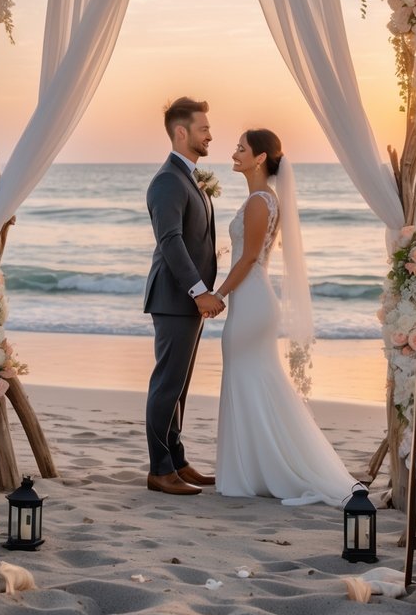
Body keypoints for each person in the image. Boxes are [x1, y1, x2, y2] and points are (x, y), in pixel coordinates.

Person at [214, 128, 356, 505]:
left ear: (260, 158)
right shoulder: (260, 199)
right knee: (251, 379)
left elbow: (248, 259)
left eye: (241, 148)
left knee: (251, 378)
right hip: (252, 299)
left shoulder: (261, 201)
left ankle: (259, 470)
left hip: (252, 300)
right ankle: (252, 469)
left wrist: (218, 294)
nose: (235, 152)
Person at [144, 97, 222, 495]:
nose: (210, 134)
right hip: (175, 299)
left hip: (187, 301)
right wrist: (199, 291)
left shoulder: (189, 177)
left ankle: (177, 460)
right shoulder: (167, 181)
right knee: (166, 385)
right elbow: (171, 241)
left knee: (180, 386)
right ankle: (159, 470)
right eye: (203, 128)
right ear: (181, 131)